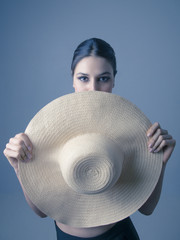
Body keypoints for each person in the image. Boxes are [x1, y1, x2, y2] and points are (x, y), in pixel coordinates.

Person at [4, 38, 176, 240]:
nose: (93, 88)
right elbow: (42, 211)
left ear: (114, 80)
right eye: (84, 78)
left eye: (103, 78)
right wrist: (19, 168)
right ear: (72, 79)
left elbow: (146, 208)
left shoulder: (134, 133)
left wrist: (160, 163)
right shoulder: (48, 131)